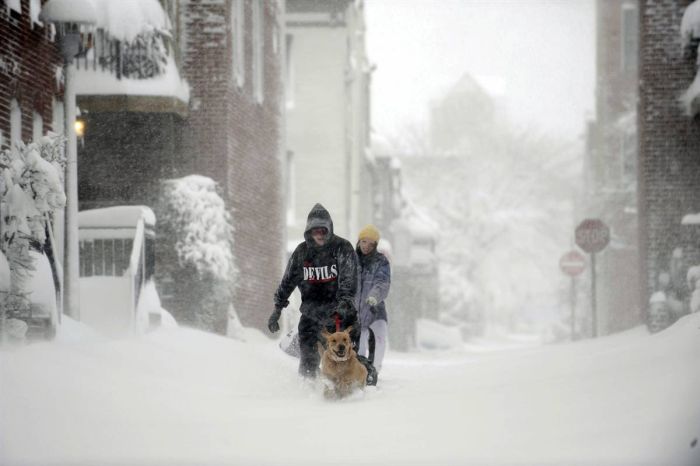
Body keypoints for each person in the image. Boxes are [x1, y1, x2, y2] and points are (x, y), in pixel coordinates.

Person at [268, 203, 359, 378]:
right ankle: (309, 393)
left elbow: (349, 280)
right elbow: (287, 281)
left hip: (338, 316)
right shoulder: (302, 252)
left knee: (342, 362)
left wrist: (344, 303)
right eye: (315, 231)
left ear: (329, 229)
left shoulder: (342, 248)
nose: (319, 235)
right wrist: (277, 309)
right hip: (310, 315)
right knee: (308, 363)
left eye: (323, 231)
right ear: (309, 231)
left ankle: (347, 395)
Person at [355, 224, 391, 373]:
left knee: (379, 338)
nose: (367, 246)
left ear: (375, 245)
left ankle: (374, 371)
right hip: (355, 311)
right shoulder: (351, 260)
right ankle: (360, 372)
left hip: (375, 309)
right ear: (359, 241)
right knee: (359, 344)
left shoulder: (381, 261)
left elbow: (382, 282)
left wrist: (373, 297)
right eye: (364, 241)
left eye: (371, 243)